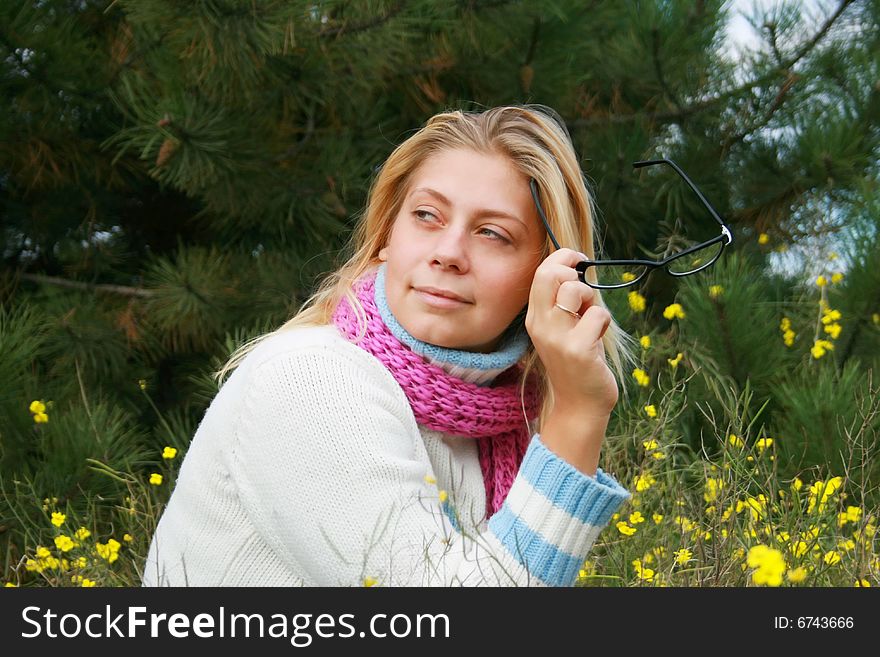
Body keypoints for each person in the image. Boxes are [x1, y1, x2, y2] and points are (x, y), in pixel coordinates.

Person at [142, 104, 638, 587]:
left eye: (492, 233)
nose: (448, 253)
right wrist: (578, 411)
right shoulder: (308, 379)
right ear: (386, 236)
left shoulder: (508, 424)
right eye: (427, 215)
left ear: (546, 273)